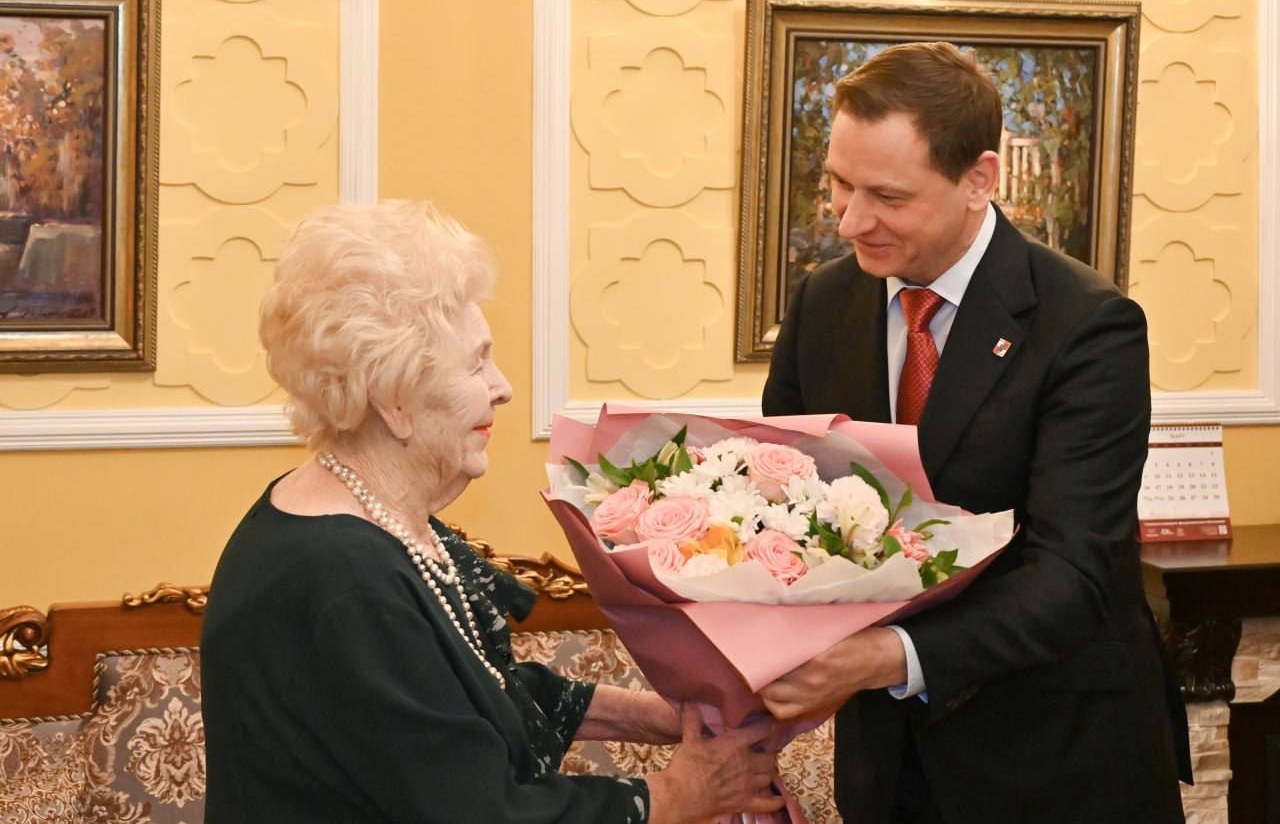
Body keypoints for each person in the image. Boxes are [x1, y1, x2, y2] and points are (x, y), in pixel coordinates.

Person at [200, 201, 784, 823]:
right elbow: (483, 812)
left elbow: (469, 695)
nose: (502, 386)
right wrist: (679, 794)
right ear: (393, 397)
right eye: (476, 362)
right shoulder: (345, 579)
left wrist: (663, 717)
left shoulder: (375, 523)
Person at [759, 42, 1190, 823]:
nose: (850, 219)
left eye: (887, 195)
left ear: (979, 179)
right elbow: (781, 504)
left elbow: (1072, 575)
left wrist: (886, 656)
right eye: (840, 183)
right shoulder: (823, 303)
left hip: (1055, 762)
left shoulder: (1087, 324)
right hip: (888, 768)